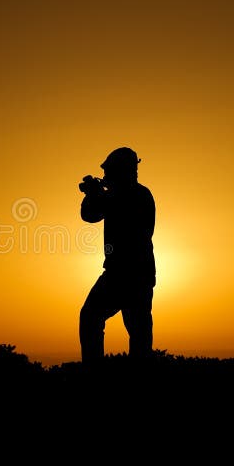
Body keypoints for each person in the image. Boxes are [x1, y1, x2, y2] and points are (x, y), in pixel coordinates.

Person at [78, 147, 156, 365]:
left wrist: (95, 193)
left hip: (125, 275)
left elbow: (93, 213)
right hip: (133, 274)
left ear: (123, 171)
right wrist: (94, 194)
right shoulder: (133, 194)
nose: (106, 176)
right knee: (138, 332)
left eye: (109, 172)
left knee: (94, 318)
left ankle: (95, 372)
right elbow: (90, 215)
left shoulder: (132, 196)